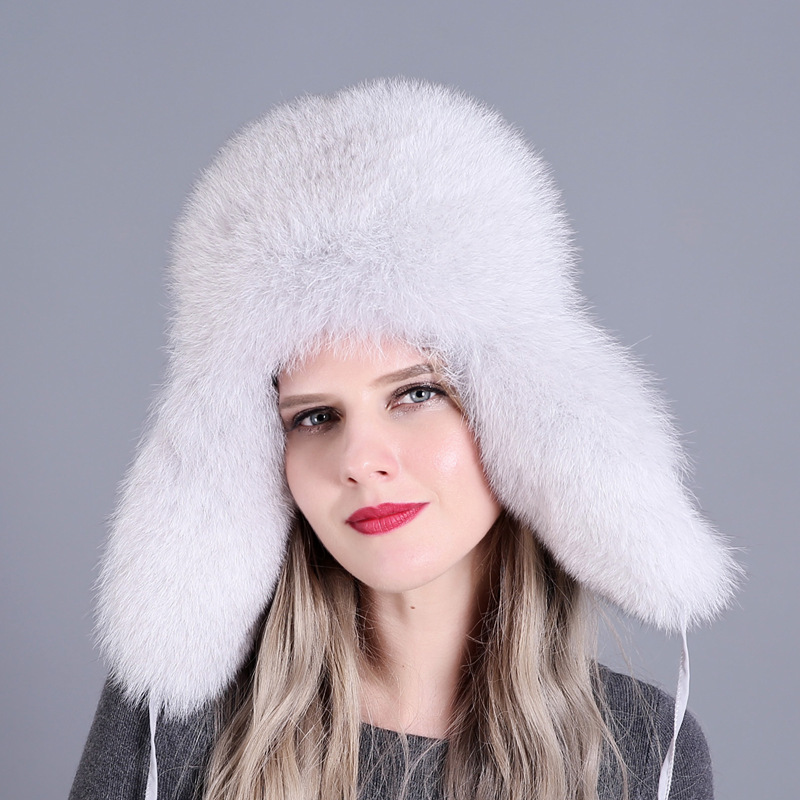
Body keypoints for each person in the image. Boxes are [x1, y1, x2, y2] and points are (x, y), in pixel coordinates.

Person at [69, 79, 739, 800]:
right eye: (314, 417)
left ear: (520, 417)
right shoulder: (174, 723)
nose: (360, 462)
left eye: (416, 394)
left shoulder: (645, 750)